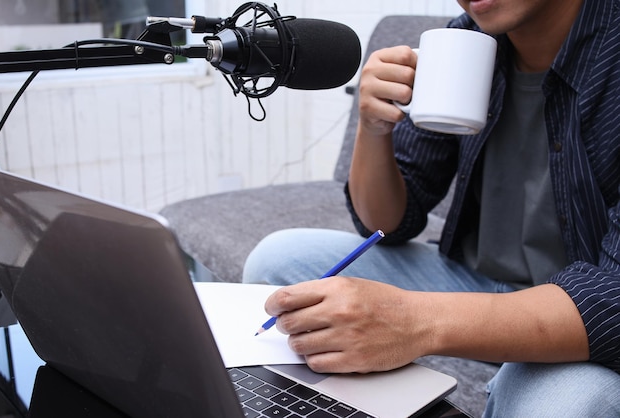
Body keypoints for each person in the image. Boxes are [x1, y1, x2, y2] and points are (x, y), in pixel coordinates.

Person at [243, 0, 620, 415]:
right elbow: (387, 224)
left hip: (579, 316)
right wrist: (373, 127)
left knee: (562, 405)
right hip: (477, 282)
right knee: (279, 263)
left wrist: (417, 322)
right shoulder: (467, 41)